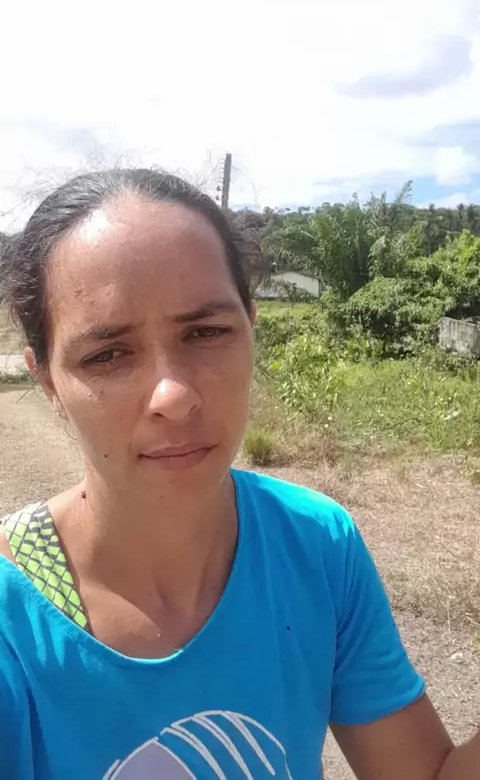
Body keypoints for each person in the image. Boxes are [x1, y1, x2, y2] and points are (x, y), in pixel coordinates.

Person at [0, 168, 476, 779]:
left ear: (251, 325)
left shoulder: (314, 544)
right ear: (46, 379)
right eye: (108, 354)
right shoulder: (15, 622)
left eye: (206, 332)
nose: (173, 395)